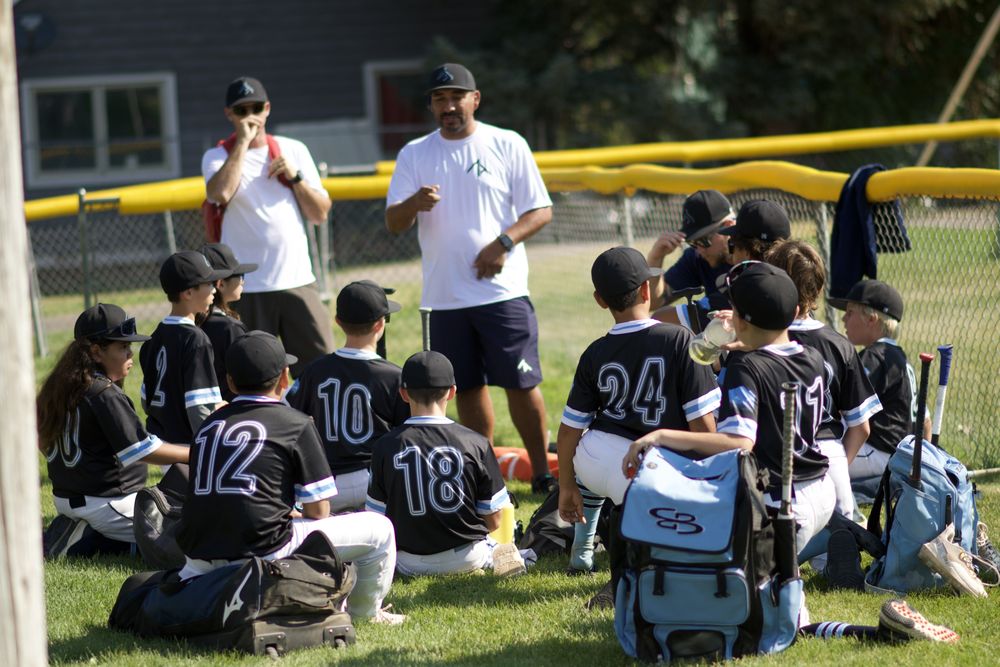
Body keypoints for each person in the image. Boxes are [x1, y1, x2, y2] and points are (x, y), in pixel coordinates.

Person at [384, 63, 555, 493]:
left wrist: (503, 243)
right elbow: (393, 222)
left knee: (520, 382)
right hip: (444, 296)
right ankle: (488, 476)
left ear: (474, 99)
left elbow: (541, 210)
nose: (449, 106)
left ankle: (542, 472)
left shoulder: (506, 143)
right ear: (431, 105)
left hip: (503, 292)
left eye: (457, 97)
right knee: (466, 388)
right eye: (440, 99)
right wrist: (413, 203)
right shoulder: (414, 154)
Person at [176, 331, 403, 624]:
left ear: (230, 382)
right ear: (284, 378)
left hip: (198, 557)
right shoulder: (293, 422)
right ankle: (364, 615)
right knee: (380, 529)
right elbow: (318, 511)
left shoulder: (209, 424)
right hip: (262, 551)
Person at [557, 247, 721, 579]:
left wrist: (566, 485)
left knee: (594, 449)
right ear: (647, 290)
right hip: (651, 472)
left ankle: (583, 547)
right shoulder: (679, 339)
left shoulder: (595, 351)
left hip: (593, 460)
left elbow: (568, 431)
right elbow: (704, 431)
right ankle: (637, 556)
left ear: (600, 300)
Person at [765, 240, 883, 588]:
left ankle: (817, 545)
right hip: (830, 457)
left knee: (767, 549)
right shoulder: (838, 343)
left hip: (783, 460)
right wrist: (837, 470)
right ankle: (841, 534)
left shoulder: (761, 344)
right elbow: (861, 426)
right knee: (832, 546)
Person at [203, 76, 334, 374]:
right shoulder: (217, 156)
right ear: (229, 115)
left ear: (268, 109)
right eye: (241, 110)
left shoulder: (293, 149)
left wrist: (295, 176)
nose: (250, 116)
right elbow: (220, 193)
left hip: (297, 280)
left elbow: (320, 213)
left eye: (256, 108)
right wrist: (244, 143)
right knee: (250, 373)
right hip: (245, 287)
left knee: (320, 368)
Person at [38, 304, 189, 558]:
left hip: (71, 499)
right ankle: (90, 541)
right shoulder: (103, 392)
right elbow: (144, 451)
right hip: (106, 504)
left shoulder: (62, 385)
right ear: (96, 352)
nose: (130, 353)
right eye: (122, 347)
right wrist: (192, 453)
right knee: (184, 535)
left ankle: (84, 530)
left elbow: (40, 437)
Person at [366, 351, 526, 576]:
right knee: (503, 547)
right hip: (468, 556)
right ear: (452, 392)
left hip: (406, 561)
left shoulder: (385, 445)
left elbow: (377, 518)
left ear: (403, 394)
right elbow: (494, 519)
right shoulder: (476, 442)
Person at [287, 280, 410, 512]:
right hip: (375, 481)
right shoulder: (394, 375)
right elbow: (408, 434)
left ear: (338, 322)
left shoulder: (315, 371)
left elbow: (287, 410)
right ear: (380, 324)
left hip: (326, 484)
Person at [829, 279, 920, 494]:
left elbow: (841, 406)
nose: (844, 318)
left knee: (812, 459)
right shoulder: (899, 358)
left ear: (871, 319)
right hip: (900, 455)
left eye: (850, 313)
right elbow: (923, 421)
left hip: (879, 453)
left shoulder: (874, 357)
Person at [140, 251, 229, 446]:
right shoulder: (197, 339)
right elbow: (200, 408)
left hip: (160, 441)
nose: (215, 289)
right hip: (186, 445)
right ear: (188, 293)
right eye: (208, 284)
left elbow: (146, 402)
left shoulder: (153, 337)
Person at [646, 189, 736, 329]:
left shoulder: (754, 254)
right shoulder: (697, 257)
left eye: (704, 240)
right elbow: (652, 303)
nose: (699, 250)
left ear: (728, 226)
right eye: (693, 242)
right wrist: (655, 258)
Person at [197, 243, 258, 402]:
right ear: (221, 284)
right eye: (240, 276)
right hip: (231, 411)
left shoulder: (191, 323)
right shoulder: (230, 328)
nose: (243, 282)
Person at [721, 199, 792, 263]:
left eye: (732, 245)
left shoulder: (733, 276)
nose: (731, 255)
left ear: (747, 252)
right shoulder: (798, 274)